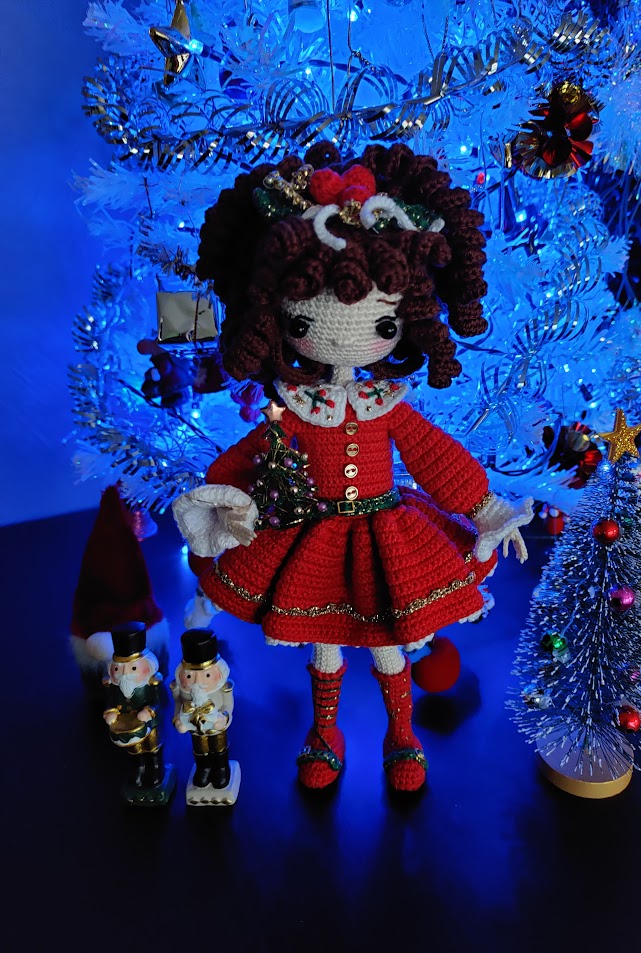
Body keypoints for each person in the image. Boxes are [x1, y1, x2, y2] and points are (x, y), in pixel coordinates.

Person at [173, 142, 533, 793]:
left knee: (388, 643)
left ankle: (402, 735)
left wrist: (484, 507)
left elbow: (432, 456)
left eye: (383, 322)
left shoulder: (384, 404)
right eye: (308, 319)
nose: (348, 338)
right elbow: (253, 456)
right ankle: (324, 733)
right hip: (310, 536)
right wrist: (221, 497)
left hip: (382, 533)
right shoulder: (294, 407)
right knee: (326, 644)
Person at [102, 622, 171, 798]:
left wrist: (150, 711)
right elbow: (111, 701)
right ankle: (138, 770)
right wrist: (111, 712)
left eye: (133, 668)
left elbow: (158, 701)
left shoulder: (150, 684)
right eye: (118, 669)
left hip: (148, 723)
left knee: (151, 748)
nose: (125, 674)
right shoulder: (114, 686)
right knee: (134, 750)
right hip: (127, 724)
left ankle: (155, 770)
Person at [171, 628, 234, 790]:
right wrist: (177, 719)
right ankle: (203, 768)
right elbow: (178, 703)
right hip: (194, 726)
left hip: (216, 725)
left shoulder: (223, 687)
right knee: (200, 749)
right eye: (189, 676)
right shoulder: (180, 689)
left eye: (206, 675)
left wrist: (224, 717)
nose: (197, 682)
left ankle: (221, 768)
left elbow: (228, 704)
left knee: (218, 747)